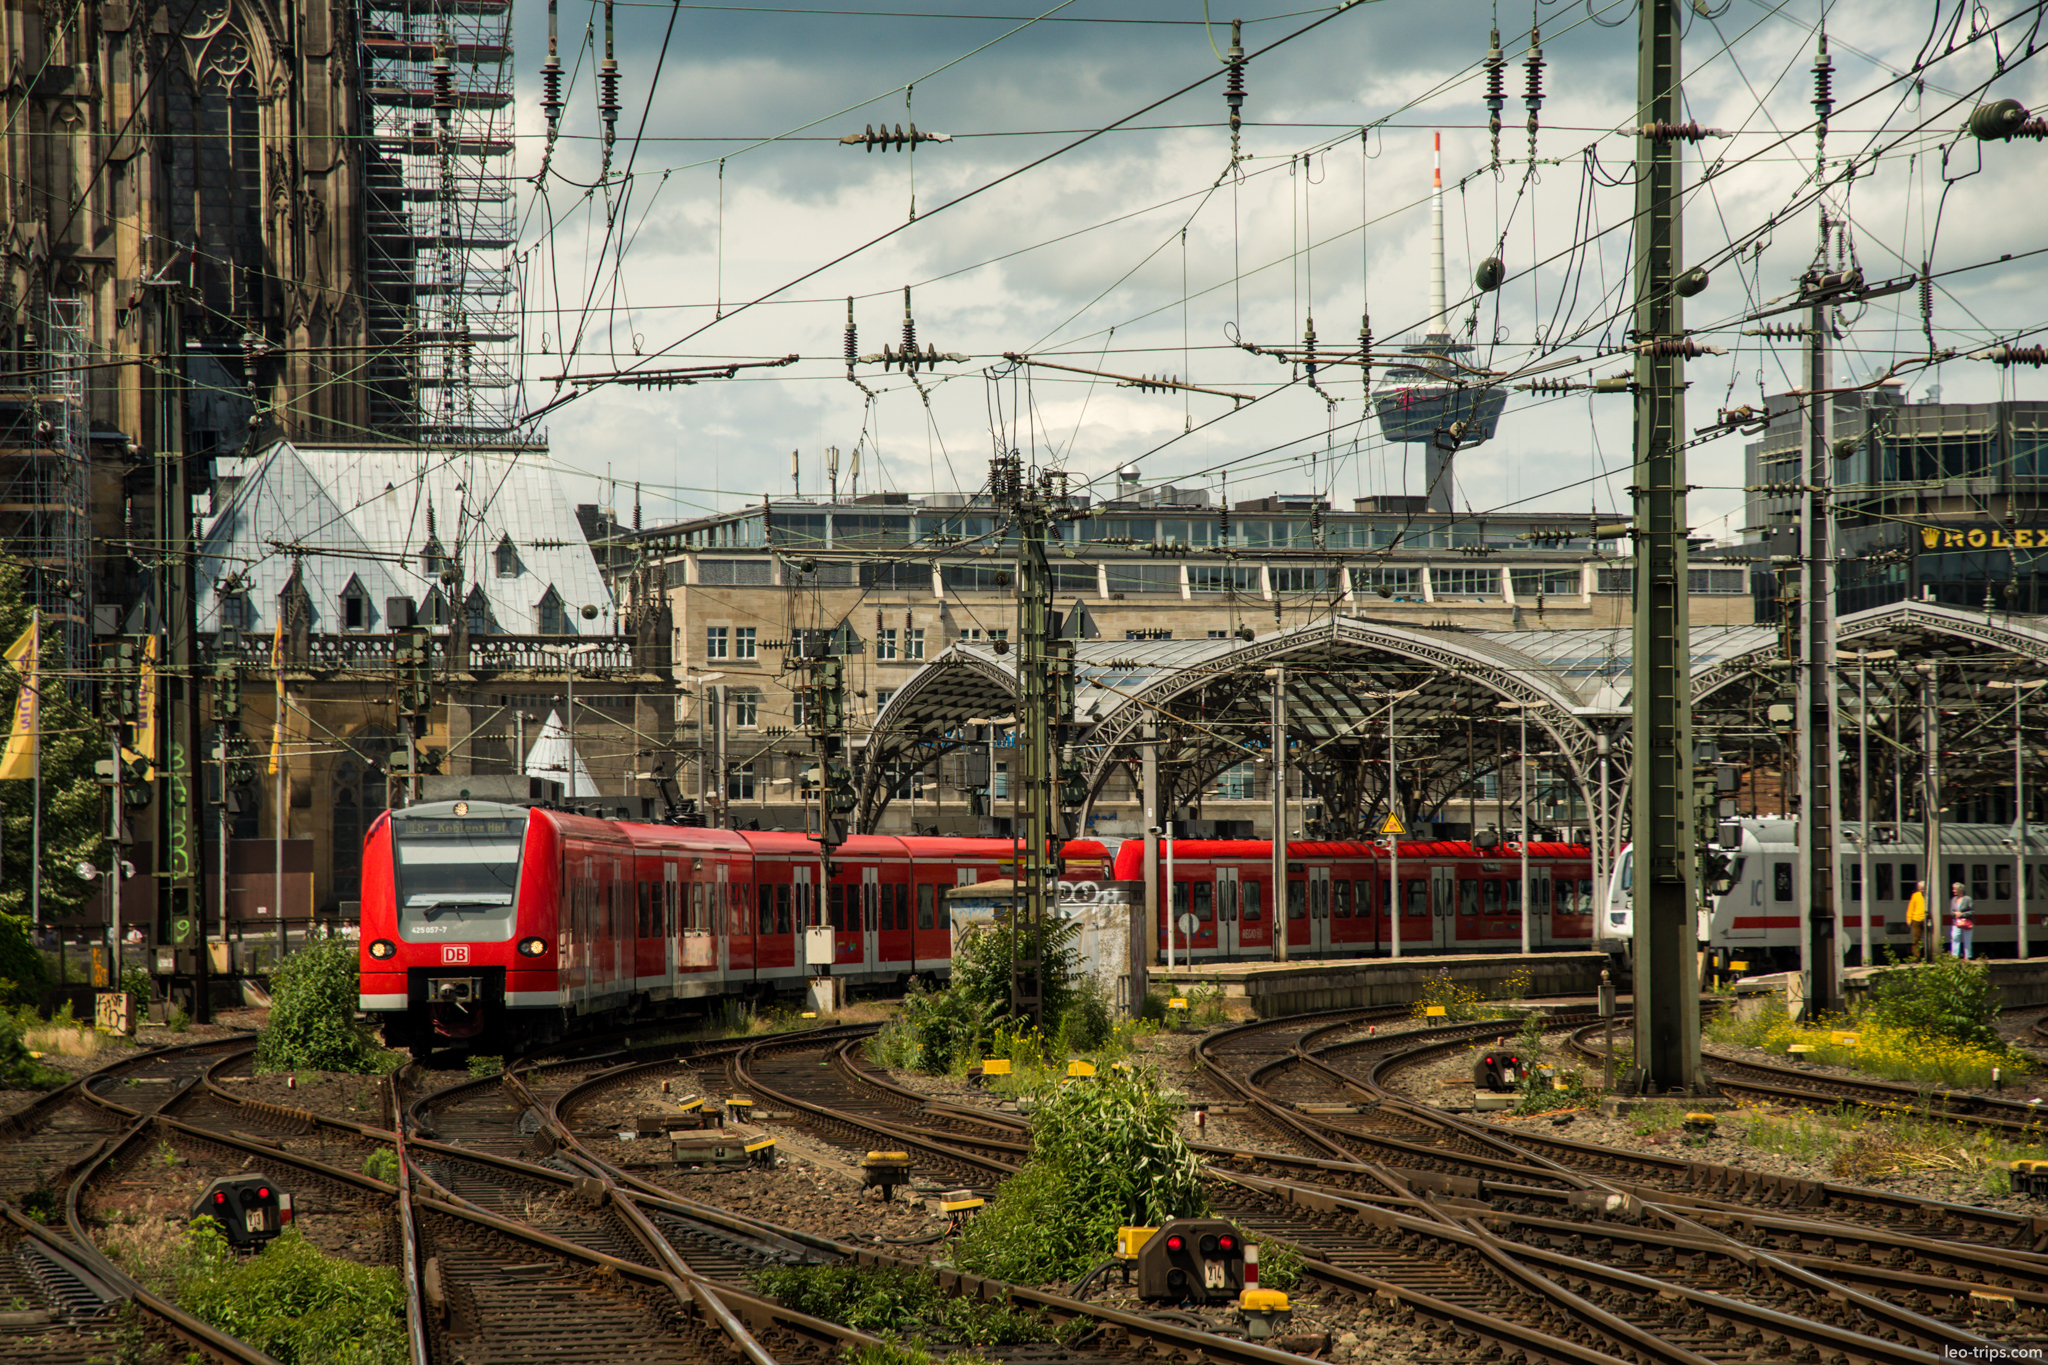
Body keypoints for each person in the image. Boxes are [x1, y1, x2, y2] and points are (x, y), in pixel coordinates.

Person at [1949, 880, 1975, 959]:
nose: (1953, 891)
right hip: (1956, 922)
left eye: (1954, 889)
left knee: (1967, 939)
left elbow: (1972, 911)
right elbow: (1951, 910)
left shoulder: (1968, 899)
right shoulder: (1953, 899)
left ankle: (1967, 956)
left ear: (1960, 890)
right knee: (1955, 937)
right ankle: (1954, 956)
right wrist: (1955, 914)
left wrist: (1963, 915)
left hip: (1966, 922)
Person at [1904, 881, 1927, 960]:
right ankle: (1916, 956)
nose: (1922, 890)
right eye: (1920, 889)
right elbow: (1911, 907)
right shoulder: (1915, 896)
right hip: (1916, 919)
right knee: (1916, 938)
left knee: (1928, 938)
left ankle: (1928, 955)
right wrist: (1909, 919)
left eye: (1923, 889)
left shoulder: (1929, 895)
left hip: (1926, 918)